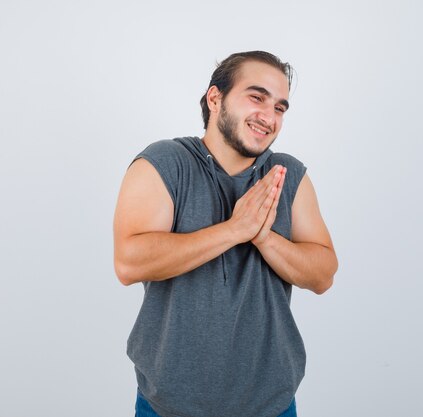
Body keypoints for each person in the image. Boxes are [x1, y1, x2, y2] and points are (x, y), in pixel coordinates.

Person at [113, 51, 338, 417]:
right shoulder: (165, 163)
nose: (269, 116)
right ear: (215, 98)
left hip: (271, 404)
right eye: (256, 97)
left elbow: (324, 275)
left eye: (280, 107)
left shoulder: (288, 174)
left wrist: (265, 238)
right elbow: (128, 262)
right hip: (169, 405)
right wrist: (234, 230)